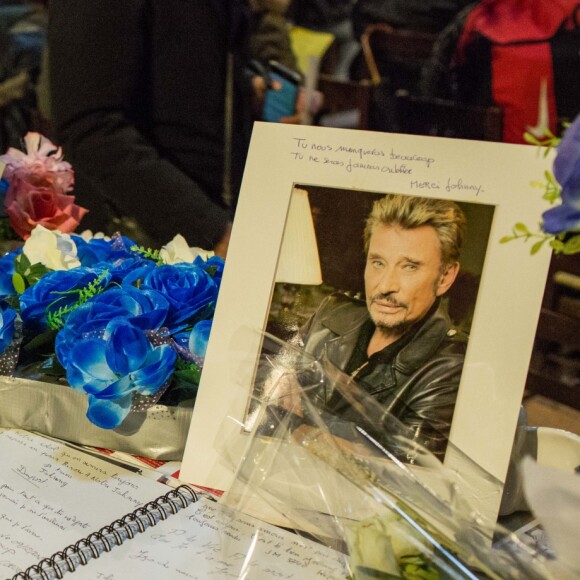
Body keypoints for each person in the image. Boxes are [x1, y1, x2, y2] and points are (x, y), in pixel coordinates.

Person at [47, 1, 299, 255]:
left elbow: (186, 71)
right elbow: (92, 130)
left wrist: (253, 94)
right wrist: (210, 231)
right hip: (140, 253)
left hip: (216, 230)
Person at [267, 193, 468, 459]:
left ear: (444, 277)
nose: (385, 286)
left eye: (409, 267)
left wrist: (295, 428)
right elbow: (269, 388)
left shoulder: (451, 368)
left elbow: (403, 477)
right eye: (378, 263)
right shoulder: (332, 313)